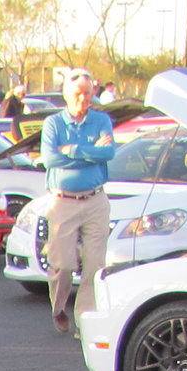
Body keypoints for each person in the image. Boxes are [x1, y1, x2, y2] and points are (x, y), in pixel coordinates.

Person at [38, 70, 117, 334]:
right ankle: (59, 308)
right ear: (66, 96)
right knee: (63, 265)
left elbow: (109, 152)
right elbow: (50, 159)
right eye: (77, 94)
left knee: (95, 265)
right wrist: (91, 153)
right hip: (63, 202)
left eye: (87, 93)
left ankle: (85, 322)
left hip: (95, 199)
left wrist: (72, 150)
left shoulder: (101, 120)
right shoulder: (54, 124)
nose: (82, 99)